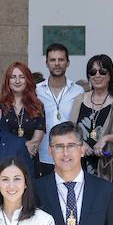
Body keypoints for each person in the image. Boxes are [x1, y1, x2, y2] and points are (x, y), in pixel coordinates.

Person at [72, 54, 113, 188]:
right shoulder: (80, 99)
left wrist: (106, 138)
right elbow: (70, 130)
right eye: (92, 72)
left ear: (110, 74)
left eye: (102, 71)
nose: (97, 75)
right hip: (80, 166)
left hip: (109, 167)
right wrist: (81, 143)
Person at [37, 43, 84, 177]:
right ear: (46, 63)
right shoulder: (36, 91)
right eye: (53, 60)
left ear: (68, 62)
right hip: (44, 155)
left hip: (69, 156)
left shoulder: (78, 91)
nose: (57, 63)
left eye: (61, 60)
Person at [0, 62, 45, 171]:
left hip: (30, 161)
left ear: (28, 80)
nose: (17, 81)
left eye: (21, 77)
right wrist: (20, 149)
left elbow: (36, 140)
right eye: (13, 77)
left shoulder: (38, 106)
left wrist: (24, 149)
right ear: (7, 81)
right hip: (5, 160)